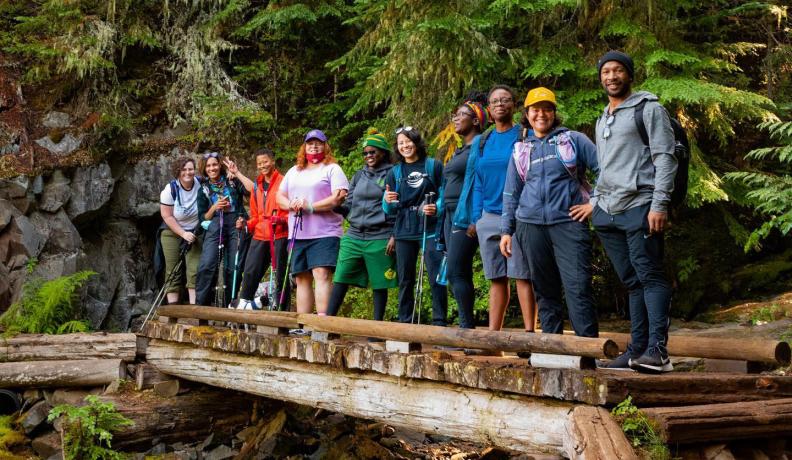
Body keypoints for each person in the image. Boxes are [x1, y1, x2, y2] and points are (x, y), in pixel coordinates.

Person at [592, 51, 677, 373]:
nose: (611, 77)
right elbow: (606, 167)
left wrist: (659, 204)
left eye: (618, 71)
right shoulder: (604, 116)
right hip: (608, 212)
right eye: (606, 72)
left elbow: (665, 158)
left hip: (641, 205)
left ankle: (659, 352)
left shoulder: (649, 109)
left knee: (651, 277)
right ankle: (636, 350)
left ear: (629, 74)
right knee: (632, 282)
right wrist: (596, 200)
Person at [500, 87, 599, 338]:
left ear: (554, 112)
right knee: (544, 289)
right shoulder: (521, 149)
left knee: (578, 286)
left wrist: (595, 203)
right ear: (527, 113)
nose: (541, 114)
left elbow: (606, 169)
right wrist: (506, 231)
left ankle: (586, 350)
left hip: (568, 222)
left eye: (547, 109)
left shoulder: (573, 139)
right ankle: (551, 349)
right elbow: (511, 192)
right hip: (530, 226)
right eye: (535, 109)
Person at [471, 85, 537, 335]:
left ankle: (529, 335)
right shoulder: (483, 140)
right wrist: (478, 217)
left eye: (505, 100)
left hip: (519, 215)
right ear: (488, 108)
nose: (500, 104)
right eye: (495, 101)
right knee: (496, 279)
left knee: (522, 275)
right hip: (489, 217)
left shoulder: (525, 135)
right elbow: (478, 179)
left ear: (514, 105)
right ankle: (493, 338)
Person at [276, 129, 349, 316]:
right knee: (301, 278)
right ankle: (304, 323)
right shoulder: (294, 171)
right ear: (304, 146)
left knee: (321, 274)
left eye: (318, 143)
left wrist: (311, 207)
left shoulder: (333, 169)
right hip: (298, 233)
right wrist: (291, 205)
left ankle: (322, 324)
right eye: (310, 143)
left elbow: (337, 199)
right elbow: (279, 197)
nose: (314, 146)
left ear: (325, 146)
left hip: (325, 232)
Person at [327, 129, 397, 320]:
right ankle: (327, 322)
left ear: (382, 152)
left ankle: (377, 327)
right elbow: (349, 205)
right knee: (340, 276)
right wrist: (337, 206)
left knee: (380, 283)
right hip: (355, 234)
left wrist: (395, 235)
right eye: (365, 153)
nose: (368, 156)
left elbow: (398, 206)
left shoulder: (393, 174)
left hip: (381, 235)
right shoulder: (359, 175)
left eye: (372, 152)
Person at [383, 126, 447, 325]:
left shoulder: (433, 166)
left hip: (430, 228)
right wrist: (387, 200)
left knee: (436, 277)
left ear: (416, 142)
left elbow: (445, 193)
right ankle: (405, 322)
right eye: (401, 143)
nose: (405, 146)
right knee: (405, 279)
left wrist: (435, 207)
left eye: (408, 141)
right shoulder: (394, 173)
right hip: (404, 229)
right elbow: (388, 209)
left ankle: (439, 322)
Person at [436, 95, 488, 328]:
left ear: (476, 121)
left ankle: (466, 330)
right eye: (454, 114)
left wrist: (476, 218)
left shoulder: (479, 147)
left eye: (461, 115)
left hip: (465, 215)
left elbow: (482, 182)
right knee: (458, 272)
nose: (455, 118)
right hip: (448, 215)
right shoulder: (460, 149)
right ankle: (466, 327)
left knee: (457, 271)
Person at [194, 151, 252, 307]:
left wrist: (237, 173)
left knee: (234, 266)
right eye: (208, 166)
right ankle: (201, 307)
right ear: (204, 169)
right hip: (214, 225)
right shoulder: (203, 189)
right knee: (207, 264)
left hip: (236, 223)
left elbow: (252, 191)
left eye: (214, 164)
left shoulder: (232, 181)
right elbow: (202, 218)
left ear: (219, 165)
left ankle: (230, 306)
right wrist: (214, 207)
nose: (212, 168)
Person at [236, 148, 290, 311]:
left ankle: (282, 313)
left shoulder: (284, 182)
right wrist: (246, 225)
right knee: (250, 272)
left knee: (282, 276)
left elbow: (289, 211)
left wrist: (281, 220)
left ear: (272, 161)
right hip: (260, 235)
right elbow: (255, 215)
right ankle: (243, 306)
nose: (262, 165)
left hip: (279, 234)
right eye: (259, 163)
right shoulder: (257, 186)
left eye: (265, 161)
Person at [159, 156, 202, 304]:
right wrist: (183, 233)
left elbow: (217, 182)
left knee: (194, 269)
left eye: (190, 169)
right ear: (178, 171)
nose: (188, 173)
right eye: (184, 169)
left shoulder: (200, 183)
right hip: (172, 232)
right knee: (173, 270)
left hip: (194, 232)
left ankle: (194, 308)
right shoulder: (170, 190)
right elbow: (167, 216)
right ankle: (172, 309)